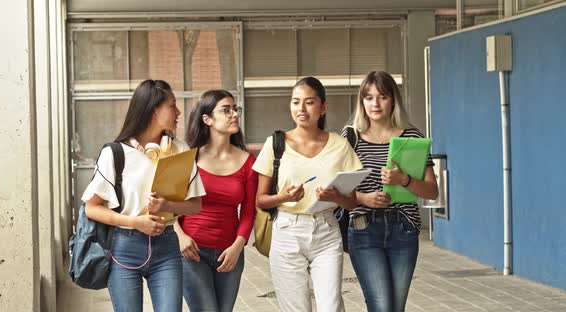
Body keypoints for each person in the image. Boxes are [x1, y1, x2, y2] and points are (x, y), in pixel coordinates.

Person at [82, 79, 206, 312]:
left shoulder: (180, 149)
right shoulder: (115, 153)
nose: (178, 111)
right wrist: (135, 223)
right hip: (124, 248)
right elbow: (92, 208)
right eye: (172, 105)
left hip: (167, 248)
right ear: (152, 110)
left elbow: (196, 205)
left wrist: (168, 204)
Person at [253, 77, 362, 312]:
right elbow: (260, 200)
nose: (301, 109)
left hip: (326, 231)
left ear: (323, 107)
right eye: (295, 102)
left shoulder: (340, 145)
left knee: (331, 307)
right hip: (287, 232)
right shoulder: (275, 144)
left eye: (309, 102)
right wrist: (283, 198)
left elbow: (352, 202)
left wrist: (336, 198)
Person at [345, 71, 439, 312]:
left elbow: (431, 191)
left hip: (404, 229)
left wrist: (404, 179)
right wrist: (364, 198)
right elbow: (335, 192)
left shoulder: (412, 137)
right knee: (382, 306)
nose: (375, 104)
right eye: (368, 97)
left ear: (393, 100)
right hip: (364, 228)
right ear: (361, 101)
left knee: (395, 308)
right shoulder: (350, 137)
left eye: (382, 97)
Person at [174, 90, 257, 312]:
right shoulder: (189, 157)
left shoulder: (248, 162)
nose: (234, 114)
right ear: (207, 119)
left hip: (229, 253)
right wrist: (179, 236)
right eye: (225, 110)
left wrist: (237, 247)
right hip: (192, 252)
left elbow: (249, 211)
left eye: (234, 109)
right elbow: (170, 203)